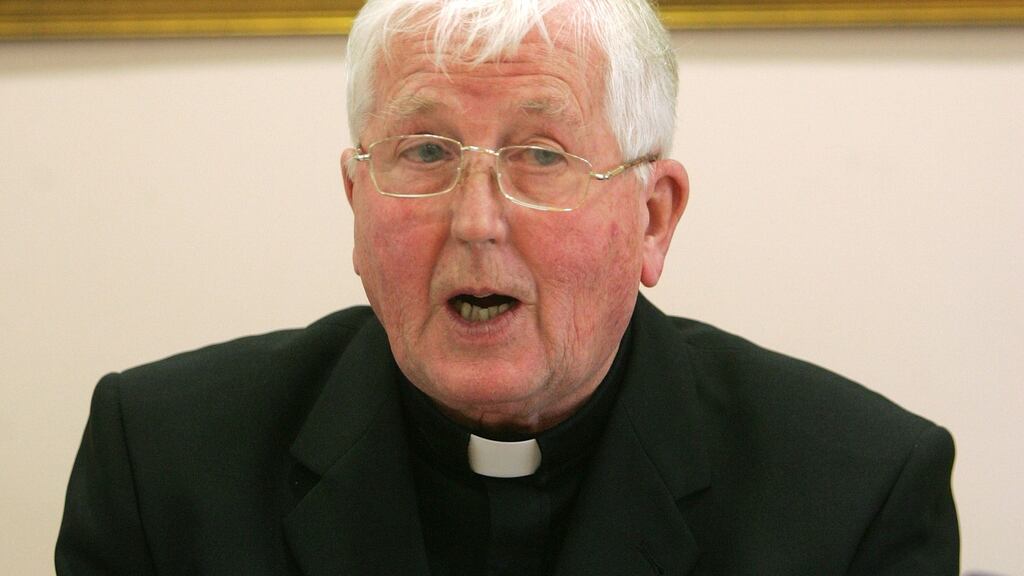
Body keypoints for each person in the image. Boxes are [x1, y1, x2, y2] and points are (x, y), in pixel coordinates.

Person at [56, 0, 959, 574]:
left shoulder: (859, 498)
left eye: (541, 156)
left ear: (653, 219)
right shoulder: (162, 466)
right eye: (425, 152)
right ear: (357, 202)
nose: (476, 221)